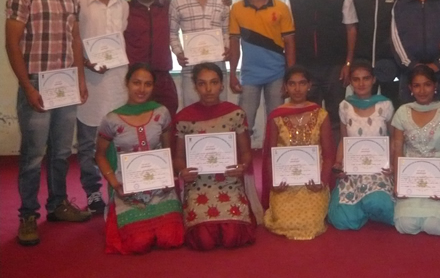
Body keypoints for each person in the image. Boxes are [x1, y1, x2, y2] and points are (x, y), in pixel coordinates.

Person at [5, 0, 91, 246]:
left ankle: (58, 205)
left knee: (62, 152)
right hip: (36, 83)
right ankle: (28, 215)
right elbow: (12, 44)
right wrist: (27, 86)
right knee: (33, 155)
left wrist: (80, 79)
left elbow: (75, 40)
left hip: (65, 83)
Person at [94, 63, 184, 254]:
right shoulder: (112, 119)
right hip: (128, 188)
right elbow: (100, 155)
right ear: (127, 83)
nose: (142, 89)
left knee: (171, 238)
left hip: (159, 187)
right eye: (136, 83)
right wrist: (115, 184)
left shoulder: (161, 113)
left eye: (148, 84)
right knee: (137, 243)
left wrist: (169, 177)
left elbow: (166, 149)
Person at [173, 63, 258, 250]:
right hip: (198, 183)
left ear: (221, 85)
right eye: (202, 83)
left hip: (228, 180)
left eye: (214, 82)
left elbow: (246, 153)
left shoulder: (235, 114)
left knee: (233, 237)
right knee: (203, 241)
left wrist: (242, 167)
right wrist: (182, 171)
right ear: (195, 87)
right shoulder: (184, 118)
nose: (208, 89)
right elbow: (178, 158)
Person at [76, 0, 129, 216]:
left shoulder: (123, 5)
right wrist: (86, 63)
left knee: (119, 139)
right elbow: (73, 39)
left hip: (117, 82)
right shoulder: (79, 1)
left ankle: (121, 186)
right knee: (88, 142)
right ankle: (93, 190)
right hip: (89, 81)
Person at [288, 0, 357, 141]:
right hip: (305, 67)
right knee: (308, 116)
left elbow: (351, 29)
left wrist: (348, 63)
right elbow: (289, 33)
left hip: (335, 67)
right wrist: (292, 68)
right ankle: (312, 156)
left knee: (336, 116)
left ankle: (335, 156)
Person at [262, 65, 335, 240]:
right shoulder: (277, 116)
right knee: (283, 222)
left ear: (309, 85)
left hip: (313, 181)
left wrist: (322, 181)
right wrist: (274, 182)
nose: (297, 88)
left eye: (302, 83)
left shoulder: (321, 114)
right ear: (285, 87)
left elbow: (328, 154)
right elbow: (270, 154)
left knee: (311, 222)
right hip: (285, 182)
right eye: (292, 84)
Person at [391, 65, 440, 235]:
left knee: (435, 225)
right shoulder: (402, 112)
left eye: (427, 85)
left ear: (435, 86)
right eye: (417, 85)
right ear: (410, 88)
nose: (422, 91)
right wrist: (398, 183)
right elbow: (398, 151)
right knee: (406, 225)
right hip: (411, 178)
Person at [229, 0, 295, 145]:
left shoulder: (281, 8)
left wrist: (290, 76)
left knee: (277, 122)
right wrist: (232, 73)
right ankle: (243, 159)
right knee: (244, 123)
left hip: (277, 74)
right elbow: (234, 43)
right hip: (250, 75)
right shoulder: (237, 9)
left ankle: (274, 159)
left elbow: (290, 43)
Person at [328, 60, 395, 230]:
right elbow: (344, 139)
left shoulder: (385, 105)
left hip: (379, 169)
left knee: (379, 204)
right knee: (342, 220)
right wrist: (338, 164)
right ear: (350, 82)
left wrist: (393, 165)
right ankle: (361, 207)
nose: (361, 83)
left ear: (373, 80)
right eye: (356, 79)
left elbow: (393, 138)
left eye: (366, 78)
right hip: (353, 169)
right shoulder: (345, 106)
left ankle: (368, 204)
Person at [352, 0, 409, 108]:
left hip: (392, 63)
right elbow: (352, 26)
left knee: (392, 106)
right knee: (362, 109)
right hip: (363, 63)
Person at [169, 0, 230, 106]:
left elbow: (226, 31)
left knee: (219, 112)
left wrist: (227, 48)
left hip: (217, 66)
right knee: (192, 113)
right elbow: (172, 33)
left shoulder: (222, 2)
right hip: (190, 67)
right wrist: (179, 53)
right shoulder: (177, 3)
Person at [124, 0, 178, 119]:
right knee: (137, 121)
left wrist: (225, 2)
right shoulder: (125, 8)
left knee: (168, 118)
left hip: (162, 76)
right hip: (136, 76)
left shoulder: (168, 6)